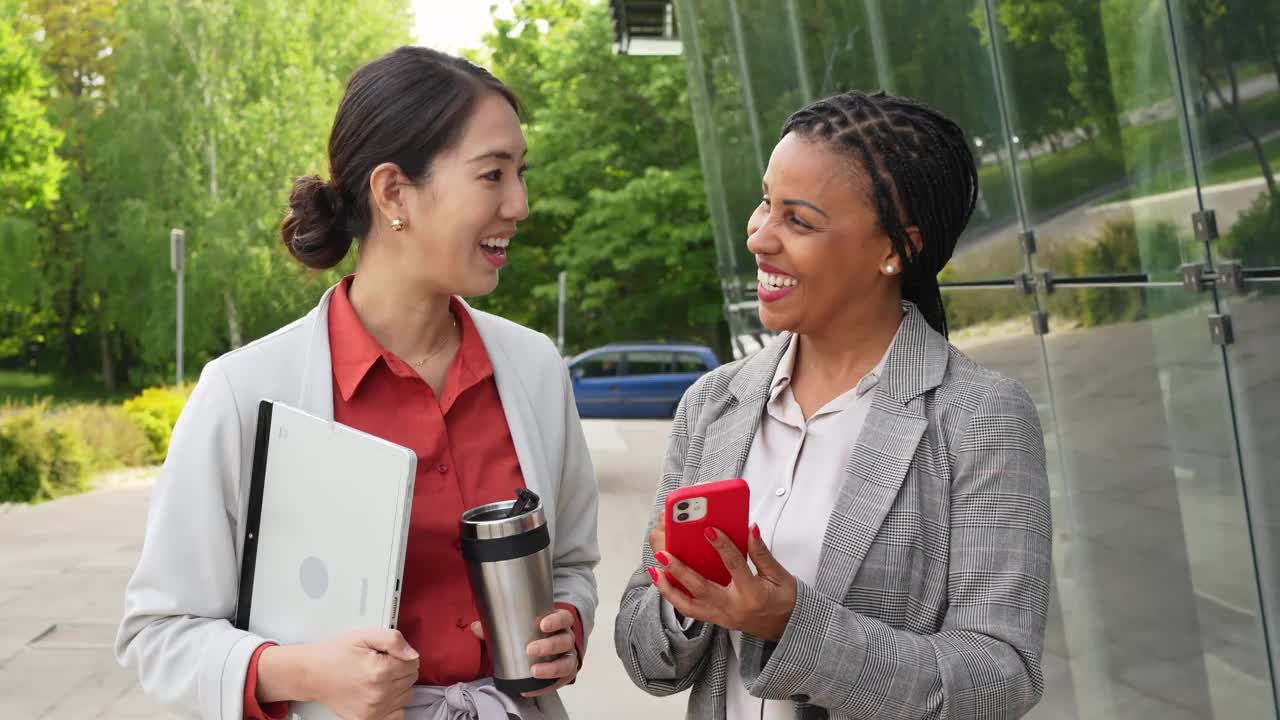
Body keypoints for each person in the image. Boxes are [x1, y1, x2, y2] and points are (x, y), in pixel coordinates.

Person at [116, 46, 599, 720]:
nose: (519, 203)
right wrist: (302, 671)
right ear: (394, 192)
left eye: (521, 173)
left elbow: (572, 562)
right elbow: (158, 636)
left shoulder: (535, 368)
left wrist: (565, 624)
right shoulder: (242, 392)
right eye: (493, 175)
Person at [614, 89, 1051, 720]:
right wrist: (686, 597)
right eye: (766, 202)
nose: (760, 237)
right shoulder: (713, 403)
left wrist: (793, 625)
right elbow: (644, 657)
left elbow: (1000, 678)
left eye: (800, 220)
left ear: (895, 249)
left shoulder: (979, 417)